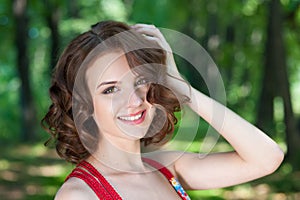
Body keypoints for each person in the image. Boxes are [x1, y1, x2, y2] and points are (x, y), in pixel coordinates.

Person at [42, 20, 284, 200]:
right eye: (110, 90)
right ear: (83, 106)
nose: (135, 100)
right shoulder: (80, 195)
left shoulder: (167, 167)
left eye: (139, 82)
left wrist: (181, 86)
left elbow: (267, 157)